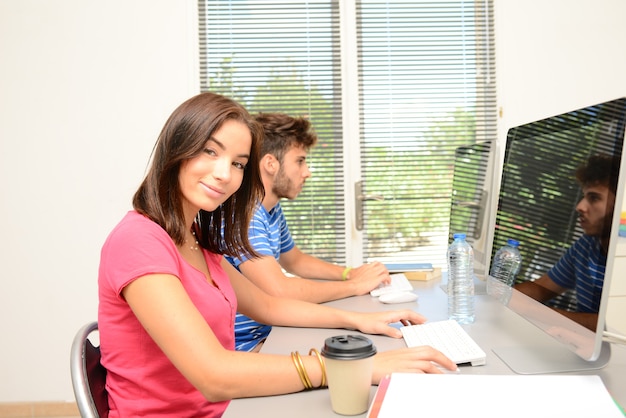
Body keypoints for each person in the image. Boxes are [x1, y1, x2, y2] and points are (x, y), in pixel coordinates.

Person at [97, 92, 456, 417]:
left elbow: (268, 306)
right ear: (176, 149)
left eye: (238, 163)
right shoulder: (139, 241)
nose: (224, 173)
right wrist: (350, 366)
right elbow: (213, 375)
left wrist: (356, 322)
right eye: (210, 151)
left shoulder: (195, 240)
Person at [225, 112, 391, 352]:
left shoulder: (269, 208)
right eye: (300, 161)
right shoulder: (243, 215)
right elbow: (279, 290)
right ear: (271, 163)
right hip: (250, 345)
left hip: (272, 332)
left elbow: (296, 261)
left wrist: (350, 273)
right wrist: (354, 286)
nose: (307, 172)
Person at [515, 154, 619, 330]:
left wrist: (539, 313)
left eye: (594, 198)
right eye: (584, 196)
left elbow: (615, 325)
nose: (580, 206)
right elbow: (541, 288)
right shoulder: (587, 245)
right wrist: (498, 297)